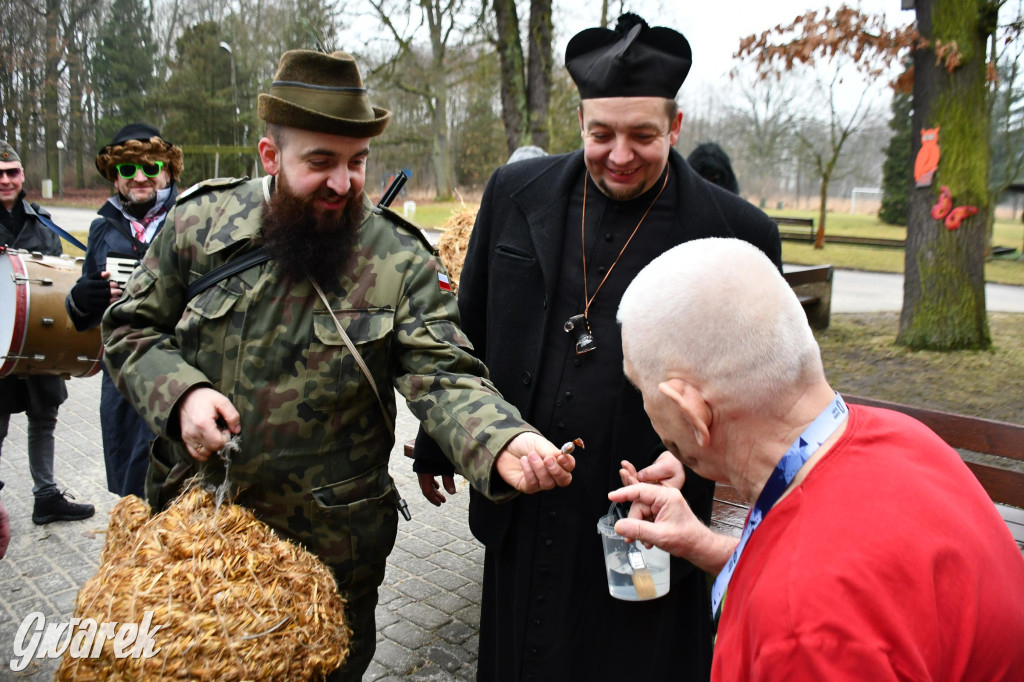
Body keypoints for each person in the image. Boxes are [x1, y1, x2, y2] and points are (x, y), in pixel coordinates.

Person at [100, 49, 575, 682]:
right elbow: (130, 328)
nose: (343, 184)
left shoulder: (398, 258)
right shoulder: (199, 224)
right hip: (200, 537)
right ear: (271, 157)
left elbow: (446, 374)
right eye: (320, 162)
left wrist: (501, 439)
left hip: (332, 551)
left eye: (356, 164)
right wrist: (182, 395)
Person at [412, 13, 781, 681]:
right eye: (600, 134)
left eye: (643, 135)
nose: (619, 155)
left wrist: (698, 465)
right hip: (525, 493)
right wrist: (444, 444)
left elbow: (763, 395)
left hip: (644, 513)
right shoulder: (513, 194)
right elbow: (469, 330)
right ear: (579, 118)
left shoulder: (737, 233)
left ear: (675, 125)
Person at [611, 237, 1024, 681]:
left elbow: (822, 603)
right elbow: (870, 582)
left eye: (640, 388)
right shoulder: (904, 438)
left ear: (692, 412)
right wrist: (706, 546)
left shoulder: (798, 628)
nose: (643, 405)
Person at [65, 123, 182, 498]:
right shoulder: (102, 230)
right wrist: (83, 298)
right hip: (121, 380)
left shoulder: (191, 220)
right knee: (130, 489)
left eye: (150, 168)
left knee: (179, 485)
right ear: (115, 178)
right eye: (128, 170)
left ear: (167, 172)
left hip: (179, 371)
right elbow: (82, 319)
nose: (140, 178)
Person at [0, 141, 96, 525]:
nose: (5, 180)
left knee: (44, 417)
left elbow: (60, 276)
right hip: (1, 344)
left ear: (23, 175)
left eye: (12, 172)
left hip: (39, 338)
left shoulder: (42, 220)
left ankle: (46, 496)